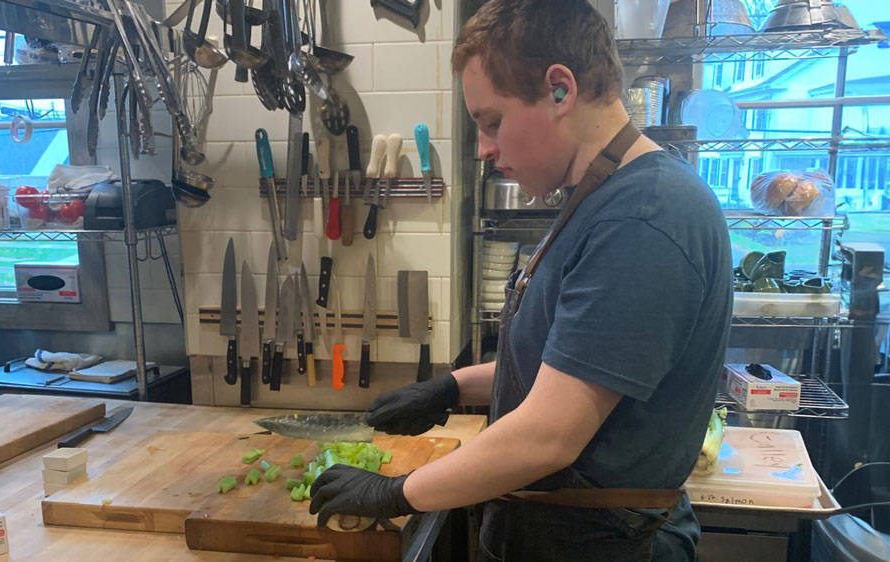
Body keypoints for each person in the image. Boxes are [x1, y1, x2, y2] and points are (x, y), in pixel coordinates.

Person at [308, 1, 733, 560]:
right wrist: (453, 387)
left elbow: (548, 435)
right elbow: (571, 364)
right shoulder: (603, 199)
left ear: (561, 90)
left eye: (491, 122)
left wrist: (398, 492)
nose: (484, 149)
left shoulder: (643, 217)